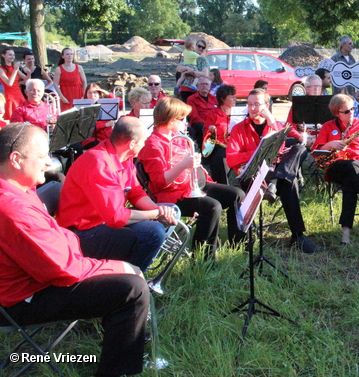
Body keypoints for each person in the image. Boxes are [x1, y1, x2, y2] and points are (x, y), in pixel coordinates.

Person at [0, 123, 150, 376]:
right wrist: (118, 266)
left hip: (34, 280)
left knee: (127, 271)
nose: (48, 163)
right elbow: (63, 269)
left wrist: (72, 248)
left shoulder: (20, 190)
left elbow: (62, 241)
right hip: (19, 300)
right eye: (42, 156)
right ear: (16, 159)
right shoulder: (12, 206)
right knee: (132, 289)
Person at [57, 117, 177, 272]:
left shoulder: (124, 157)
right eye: (143, 141)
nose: (145, 144)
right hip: (81, 234)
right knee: (153, 232)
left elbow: (135, 192)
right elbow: (116, 218)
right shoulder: (99, 163)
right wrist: (155, 214)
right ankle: (131, 279)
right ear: (132, 144)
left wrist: (159, 211)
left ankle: (134, 268)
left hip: (101, 222)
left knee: (172, 210)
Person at [138, 97, 245, 257]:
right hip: (173, 195)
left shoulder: (178, 138)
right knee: (212, 207)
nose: (186, 123)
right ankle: (203, 257)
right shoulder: (153, 145)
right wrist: (183, 165)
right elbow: (160, 183)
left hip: (193, 186)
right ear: (170, 120)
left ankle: (238, 244)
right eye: (182, 119)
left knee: (237, 195)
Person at [227, 88, 317, 253]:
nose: (253, 108)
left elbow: (284, 146)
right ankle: (296, 233)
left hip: (273, 173)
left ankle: (298, 235)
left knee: (297, 157)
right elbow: (232, 158)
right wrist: (256, 155)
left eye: (257, 104)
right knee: (290, 181)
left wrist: (271, 121)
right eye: (249, 104)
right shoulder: (238, 129)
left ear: (266, 106)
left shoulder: (275, 125)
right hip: (251, 174)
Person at [313, 94, 359, 245]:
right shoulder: (327, 126)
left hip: (358, 167)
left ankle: (346, 234)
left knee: (350, 180)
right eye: (346, 111)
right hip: (335, 167)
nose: (351, 113)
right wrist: (330, 144)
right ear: (336, 112)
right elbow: (316, 152)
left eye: (352, 109)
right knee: (351, 169)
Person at [203, 85, 237, 184]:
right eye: (232, 96)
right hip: (220, 147)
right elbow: (207, 138)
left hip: (237, 145)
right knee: (220, 157)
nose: (235, 99)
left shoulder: (240, 113)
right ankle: (222, 186)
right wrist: (210, 130)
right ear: (222, 98)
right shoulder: (212, 114)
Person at [82, 83, 116, 149]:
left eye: (95, 92)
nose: (92, 95)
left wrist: (108, 94)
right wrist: (105, 125)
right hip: (91, 139)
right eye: (89, 93)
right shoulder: (82, 106)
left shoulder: (106, 104)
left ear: (99, 94)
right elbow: (86, 128)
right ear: (86, 94)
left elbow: (121, 104)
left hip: (107, 137)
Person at [186, 76, 217, 148]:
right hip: (200, 123)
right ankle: (204, 148)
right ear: (197, 86)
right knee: (201, 127)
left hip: (214, 122)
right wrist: (207, 125)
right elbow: (194, 116)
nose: (204, 86)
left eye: (206, 84)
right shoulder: (191, 99)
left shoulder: (215, 98)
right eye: (202, 84)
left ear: (210, 86)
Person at [53, 47, 87, 112]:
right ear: (63, 56)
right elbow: (55, 84)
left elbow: (84, 82)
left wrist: (84, 95)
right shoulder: (58, 69)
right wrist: (61, 97)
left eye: (71, 54)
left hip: (78, 95)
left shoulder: (79, 68)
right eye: (67, 54)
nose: (70, 56)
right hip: (66, 96)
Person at [176, 38, 209, 102]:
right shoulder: (188, 56)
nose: (200, 48)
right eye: (199, 46)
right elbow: (178, 68)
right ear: (195, 46)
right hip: (184, 87)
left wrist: (192, 72)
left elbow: (205, 74)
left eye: (203, 47)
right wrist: (187, 68)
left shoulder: (203, 60)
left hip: (197, 89)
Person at [0, 48, 28, 120]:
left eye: (13, 55)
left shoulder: (14, 67)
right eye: (10, 55)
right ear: (3, 55)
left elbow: (26, 79)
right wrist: (15, 70)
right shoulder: (1, 69)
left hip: (19, 94)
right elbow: (9, 83)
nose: (12, 57)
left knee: (23, 117)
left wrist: (28, 72)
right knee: (12, 117)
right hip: (10, 96)